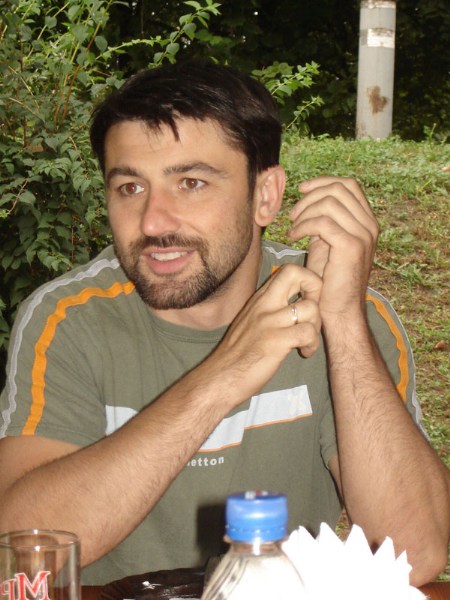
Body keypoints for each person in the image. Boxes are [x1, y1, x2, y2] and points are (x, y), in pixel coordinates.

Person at [0, 61, 448, 587]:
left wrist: (343, 320)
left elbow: (416, 554)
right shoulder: (70, 320)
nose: (153, 221)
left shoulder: (350, 315)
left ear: (265, 196)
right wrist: (224, 373)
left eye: (191, 183)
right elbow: (20, 550)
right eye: (130, 188)